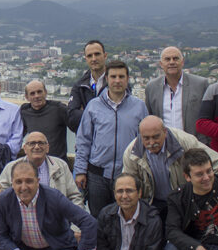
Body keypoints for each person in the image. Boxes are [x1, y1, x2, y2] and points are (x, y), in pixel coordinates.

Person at [74, 60, 148, 215]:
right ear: (107, 79)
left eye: (121, 76)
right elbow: (83, 141)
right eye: (113, 77)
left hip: (128, 174)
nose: (117, 81)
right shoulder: (93, 106)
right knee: (98, 219)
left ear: (127, 79)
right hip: (97, 176)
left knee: (127, 217)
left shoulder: (139, 107)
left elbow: (145, 142)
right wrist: (80, 171)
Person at [121, 116, 218, 220]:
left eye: (156, 137)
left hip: (185, 201)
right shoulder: (132, 154)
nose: (152, 142)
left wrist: (204, 194)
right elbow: (127, 185)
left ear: (165, 132)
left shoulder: (184, 142)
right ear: (140, 135)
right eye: (146, 138)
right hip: (152, 204)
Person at [0, 132, 83, 208]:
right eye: (32, 143)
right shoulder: (11, 167)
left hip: (56, 219)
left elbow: (75, 197)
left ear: (47, 148)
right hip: (22, 219)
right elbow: (1, 196)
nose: (37, 147)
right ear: (25, 148)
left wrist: (75, 222)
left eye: (41, 143)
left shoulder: (61, 166)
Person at [144, 46, 208, 139]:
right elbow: (149, 118)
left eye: (175, 58)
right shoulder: (151, 87)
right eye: (167, 59)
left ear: (182, 62)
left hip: (194, 144)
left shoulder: (200, 84)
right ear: (161, 64)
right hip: (164, 144)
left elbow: (208, 117)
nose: (171, 62)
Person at [19, 80, 69, 158]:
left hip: (57, 162)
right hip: (35, 161)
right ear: (27, 97)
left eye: (39, 92)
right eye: (32, 93)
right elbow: (18, 135)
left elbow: (77, 126)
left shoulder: (59, 109)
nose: (36, 96)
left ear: (45, 92)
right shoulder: (24, 111)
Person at [67, 40, 108, 133]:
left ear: (105, 56)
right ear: (85, 59)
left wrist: (85, 112)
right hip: (87, 140)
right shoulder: (79, 86)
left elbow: (120, 115)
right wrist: (103, 116)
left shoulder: (116, 82)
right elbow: (72, 118)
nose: (94, 59)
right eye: (89, 56)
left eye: (97, 54)